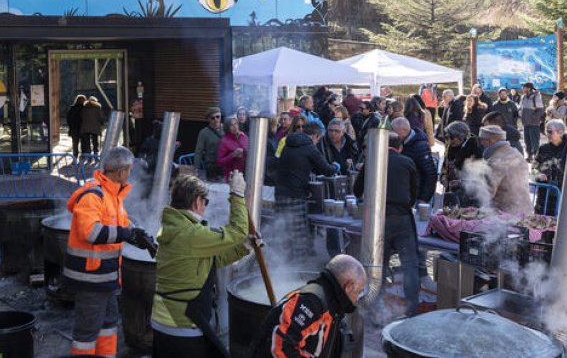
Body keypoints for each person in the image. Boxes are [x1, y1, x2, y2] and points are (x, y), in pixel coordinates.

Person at [64, 146, 155, 356]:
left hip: (105, 277)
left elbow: (122, 223)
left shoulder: (112, 195)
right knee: (87, 333)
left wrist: (140, 236)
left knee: (108, 325)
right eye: (129, 170)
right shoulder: (93, 196)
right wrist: (125, 234)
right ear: (120, 172)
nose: (130, 174)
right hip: (90, 279)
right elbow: (91, 232)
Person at [152, 173, 252, 357]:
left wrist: (243, 248)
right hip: (182, 324)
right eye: (206, 202)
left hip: (165, 321)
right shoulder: (191, 234)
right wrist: (237, 194)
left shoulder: (175, 227)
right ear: (197, 201)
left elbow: (212, 260)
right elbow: (239, 231)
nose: (205, 207)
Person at [355, 132, 421, 316]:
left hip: (377, 219)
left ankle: (374, 308)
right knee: (410, 265)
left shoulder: (372, 162)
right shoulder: (407, 162)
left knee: (378, 266)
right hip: (402, 218)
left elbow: (357, 191)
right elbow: (413, 194)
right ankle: (412, 310)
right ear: (400, 148)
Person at [250, 255, 366, 357]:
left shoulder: (332, 305)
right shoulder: (311, 303)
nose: (356, 298)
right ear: (348, 287)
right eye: (358, 292)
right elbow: (281, 346)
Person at [274, 121, 333, 260]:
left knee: (283, 231)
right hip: (295, 194)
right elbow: (327, 170)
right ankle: (297, 267)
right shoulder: (310, 148)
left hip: (280, 192)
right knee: (298, 235)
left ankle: (281, 263)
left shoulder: (288, 145)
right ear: (315, 135)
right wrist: (335, 166)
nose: (318, 142)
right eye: (319, 139)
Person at [474, 125, 533, 215]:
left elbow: (487, 192)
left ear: (491, 141)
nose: (481, 143)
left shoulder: (495, 160)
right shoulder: (515, 152)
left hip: (507, 212)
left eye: (482, 140)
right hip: (525, 208)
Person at [392, 116, 438, 206]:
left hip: (414, 195)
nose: (392, 133)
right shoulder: (401, 141)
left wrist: (423, 199)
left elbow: (430, 174)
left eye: (394, 131)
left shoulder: (420, 146)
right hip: (402, 193)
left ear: (403, 131)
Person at [532, 120, 567, 216]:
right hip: (543, 193)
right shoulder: (543, 148)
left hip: (563, 194)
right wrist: (538, 174)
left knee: (557, 221)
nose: (547, 134)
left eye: (550, 131)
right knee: (540, 220)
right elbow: (534, 167)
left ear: (560, 132)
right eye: (546, 131)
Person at [440, 121, 481, 201]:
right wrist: (443, 177)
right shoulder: (450, 147)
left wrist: (461, 182)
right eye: (448, 137)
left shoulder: (474, 148)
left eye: (452, 137)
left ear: (461, 136)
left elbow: (477, 175)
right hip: (451, 188)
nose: (450, 140)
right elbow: (445, 166)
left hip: (468, 193)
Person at [195, 108, 225, 180]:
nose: (216, 119)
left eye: (218, 116)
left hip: (225, 164)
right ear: (208, 119)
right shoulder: (204, 132)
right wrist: (196, 169)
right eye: (212, 118)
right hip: (212, 166)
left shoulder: (226, 128)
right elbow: (199, 151)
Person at [519, 82, 545, 161]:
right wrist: (520, 114)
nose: (523, 89)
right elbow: (520, 108)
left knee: (534, 142)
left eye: (524, 87)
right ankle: (529, 156)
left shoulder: (536, 97)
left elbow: (541, 110)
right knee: (527, 141)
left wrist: (533, 117)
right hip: (525, 124)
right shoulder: (523, 97)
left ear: (529, 88)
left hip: (534, 124)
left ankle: (536, 158)